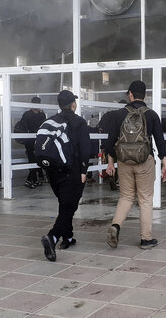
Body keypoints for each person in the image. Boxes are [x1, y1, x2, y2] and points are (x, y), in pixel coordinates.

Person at [105, 81, 166, 250]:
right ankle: (146, 239)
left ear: (130, 94)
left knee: (126, 196)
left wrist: (110, 163)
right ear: (145, 95)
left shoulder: (118, 114)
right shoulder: (152, 115)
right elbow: (160, 142)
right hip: (144, 160)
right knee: (145, 199)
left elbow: (110, 141)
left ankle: (116, 225)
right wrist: (165, 164)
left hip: (124, 161)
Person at [40, 90, 91, 262]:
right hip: (73, 171)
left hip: (53, 172)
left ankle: (67, 238)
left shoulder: (50, 121)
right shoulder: (79, 122)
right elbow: (85, 149)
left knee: (65, 205)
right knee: (69, 207)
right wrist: (84, 170)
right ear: (73, 104)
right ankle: (52, 237)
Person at [18, 97, 46, 188]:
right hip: (34, 140)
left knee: (34, 159)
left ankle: (32, 179)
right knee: (34, 159)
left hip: (32, 140)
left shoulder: (28, 114)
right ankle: (31, 180)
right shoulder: (39, 114)